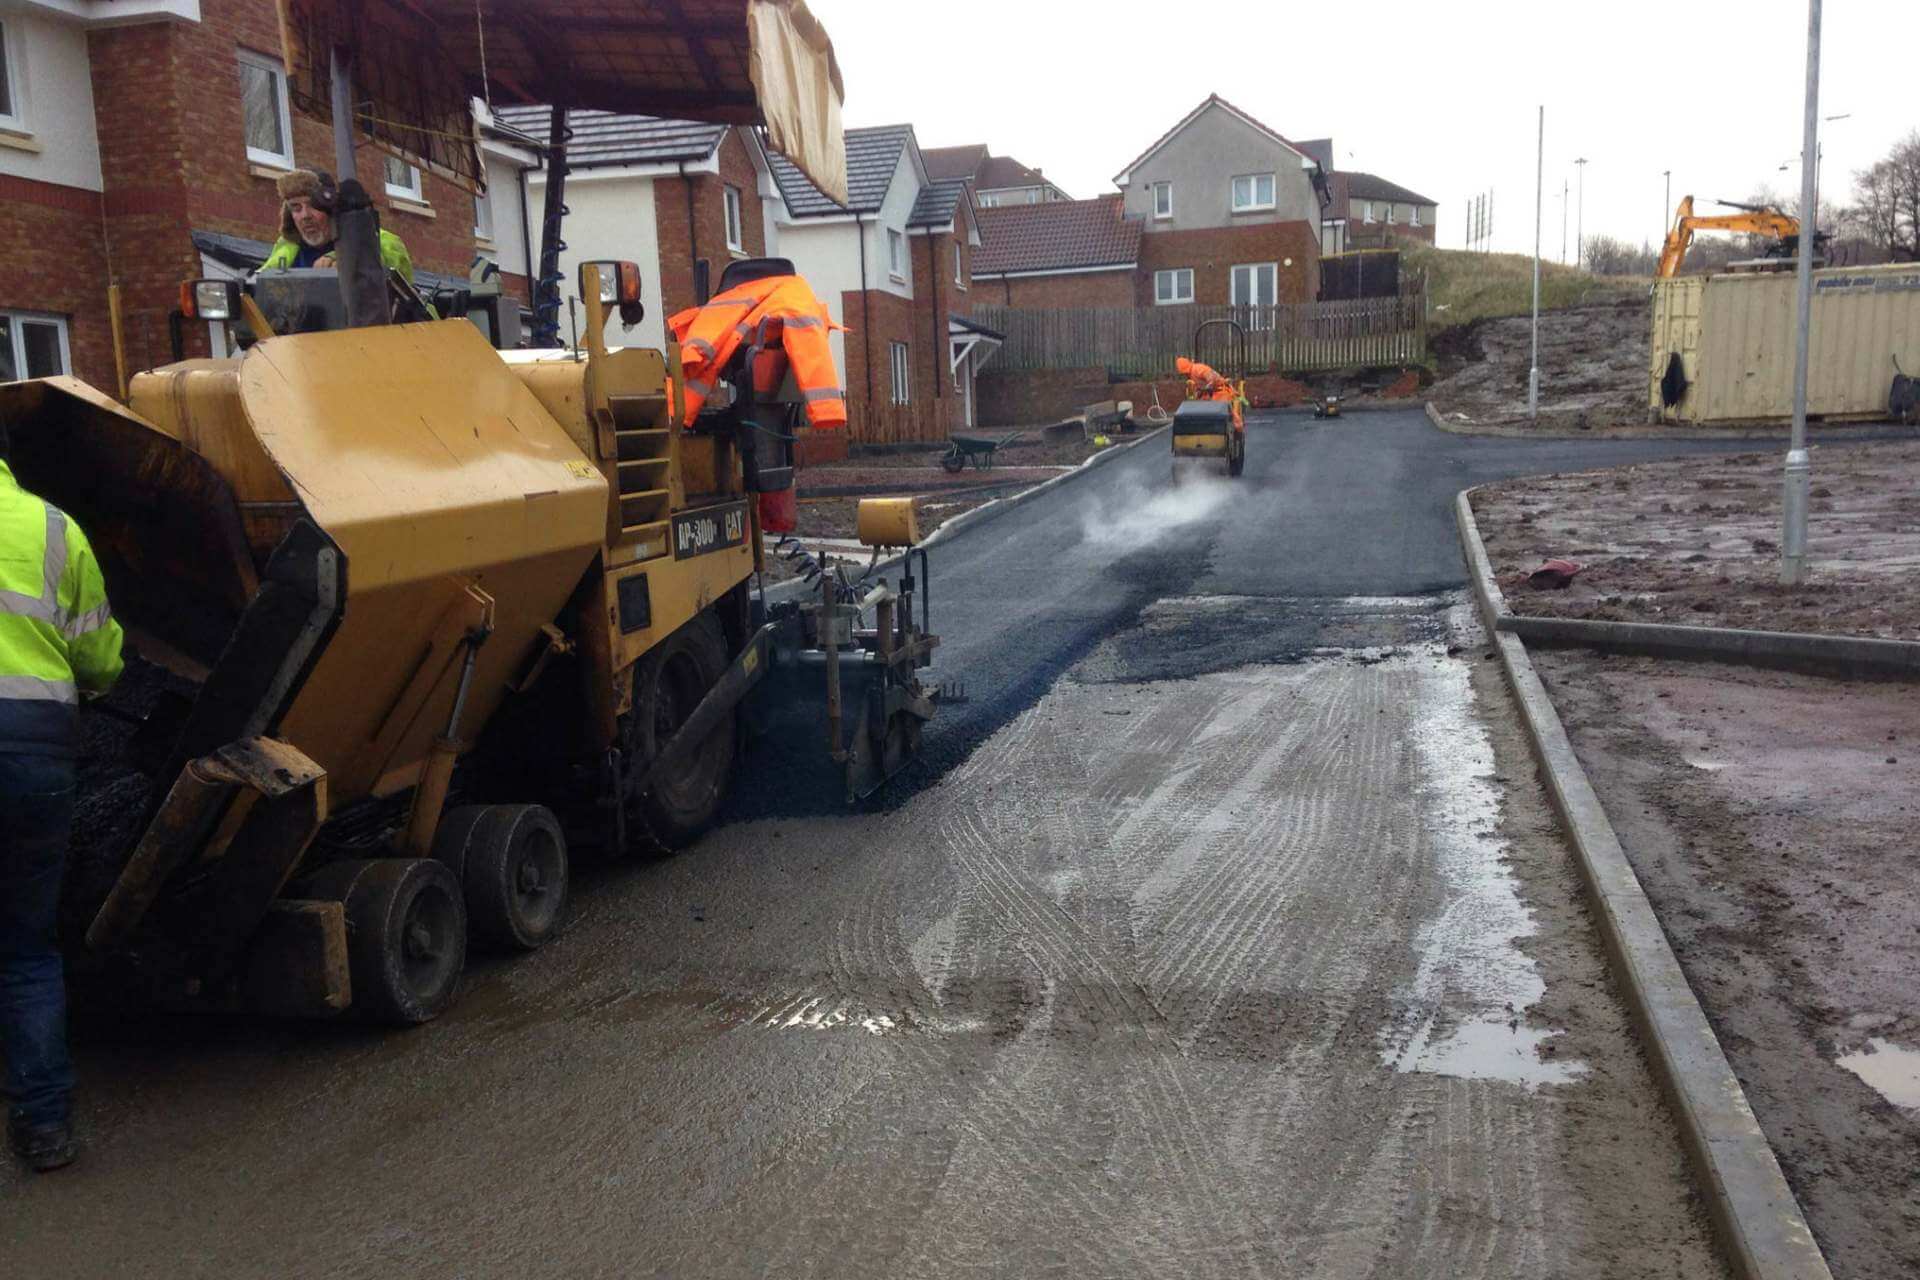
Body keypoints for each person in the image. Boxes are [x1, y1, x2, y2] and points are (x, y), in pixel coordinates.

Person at [1, 421, 124, 1173]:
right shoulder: (52, 527)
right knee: (23, 951)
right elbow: (99, 658)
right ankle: (43, 1127)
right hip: (33, 755)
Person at [261, 169, 416, 283]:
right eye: (296, 207)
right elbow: (263, 282)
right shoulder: (286, 247)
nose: (305, 215)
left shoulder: (373, 236)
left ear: (332, 208)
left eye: (312, 205)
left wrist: (345, 258)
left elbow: (387, 256)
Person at [1175, 356, 1244, 430]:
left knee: (1222, 406)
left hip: (1219, 390)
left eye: (1184, 373)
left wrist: (1205, 389)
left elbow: (1212, 380)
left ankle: (1237, 425)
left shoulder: (1198, 369)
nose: (1184, 375)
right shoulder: (1191, 374)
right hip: (1208, 393)